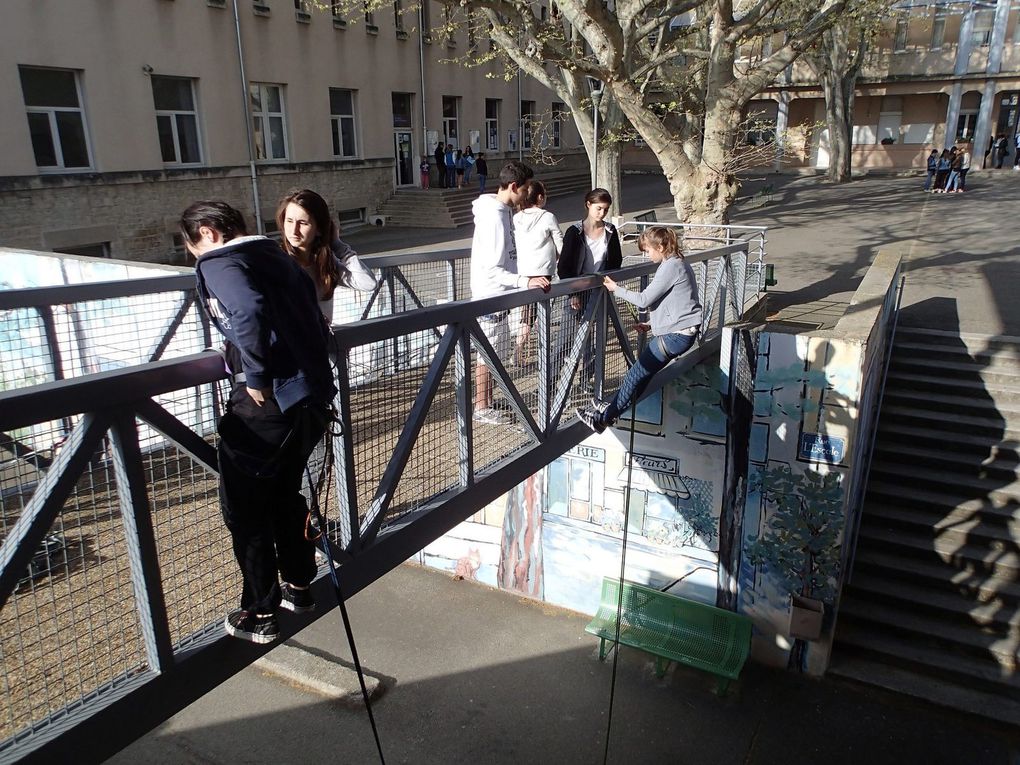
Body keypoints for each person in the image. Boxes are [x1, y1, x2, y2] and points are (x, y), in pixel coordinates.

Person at [180, 200, 336, 644]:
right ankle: (300, 587)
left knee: (244, 509)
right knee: (286, 496)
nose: (193, 255)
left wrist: (257, 373)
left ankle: (259, 612)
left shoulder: (221, 260)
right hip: (310, 399)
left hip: (267, 405)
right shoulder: (276, 256)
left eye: (191, 245)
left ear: (208, 232)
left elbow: (246, 309)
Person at [577, 226, 701, 433]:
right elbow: (679, 303)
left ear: (660, 247)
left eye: (648, 250)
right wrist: (651, 324)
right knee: (642, 376)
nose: (646, 254)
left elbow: (644, 300)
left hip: (675, 336)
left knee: (635, 376)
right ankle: (612, 409)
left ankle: (602, 420)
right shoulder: (678, 263)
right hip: (682, 333)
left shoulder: (671, 267)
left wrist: (616, 289)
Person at [469, 160, 550, 424]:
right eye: (526, 189)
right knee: (487, 354)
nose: (528, 194)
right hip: (490, 296)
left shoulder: (502, 210)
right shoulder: (493, 216)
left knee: (497, 352)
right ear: (514, 186)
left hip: (501, 297)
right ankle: (481, 407)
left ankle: (487, 400)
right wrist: (524, 282)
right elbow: (492, 269)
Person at [554, 188, 623, 392]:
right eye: (599, 208)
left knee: (594, 340)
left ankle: (586, 381)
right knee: (564, 340)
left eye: (605, 209)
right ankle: (551, 384)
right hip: (576, 290)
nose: (602, 213)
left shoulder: (610, 231)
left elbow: (616, 261)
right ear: (588, 205)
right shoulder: (574, 231)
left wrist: (609, 282)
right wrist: (572, 293)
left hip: (599, 291)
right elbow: (564, 267)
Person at [276, 188, 377, 324]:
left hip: (322, 342)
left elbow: (368, 283)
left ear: (319, 229)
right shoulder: (276, 262)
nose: (294, 230)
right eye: (289, 221)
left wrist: (338, 246)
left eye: (303, 223)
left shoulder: (325, 263)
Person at [512, 179, 563, 366]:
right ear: (540, 197)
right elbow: (560, 242)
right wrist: (563, 260)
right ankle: (537, 353)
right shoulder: (547, 216)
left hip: (524, 272)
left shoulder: (517, 217)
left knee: (529, 314)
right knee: (540, 314)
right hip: (543, 271)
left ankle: (520, 352)